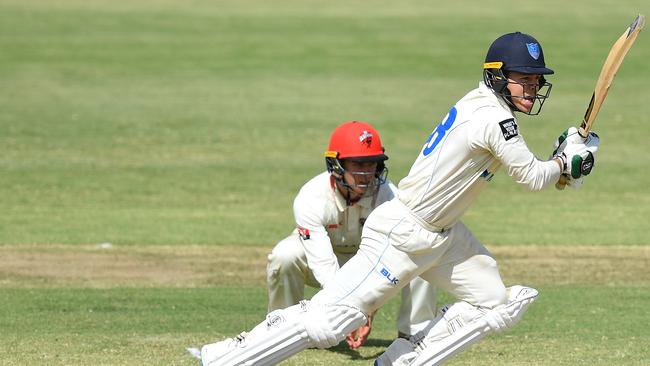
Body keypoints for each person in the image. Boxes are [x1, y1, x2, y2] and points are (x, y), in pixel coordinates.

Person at [197, 32, 600, 366]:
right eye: (522, 79)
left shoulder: (483, 106)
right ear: (496, 77)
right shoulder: (493, 118)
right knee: (330, 323)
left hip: (445, 236)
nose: (531, 88)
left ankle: (400, 362)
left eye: (535, 81)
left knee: (496, 303)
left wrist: (563, 160)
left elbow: (535, 166)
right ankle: (225, 359)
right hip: (404, 232)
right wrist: (567, 162)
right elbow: (531, 176)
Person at [267, 121, 437, 349]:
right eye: (358, 164)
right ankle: (283, 333)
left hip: (367, 263)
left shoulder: (389, 195)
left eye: (371, 165)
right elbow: (323, 265)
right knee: (285, 255)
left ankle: (415, 336)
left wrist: (369, 306)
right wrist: (351, 311)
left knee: (419, 251)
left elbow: (391, 256)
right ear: (336, 165)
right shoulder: (311, 197)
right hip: (321, 260)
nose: (366, 174)